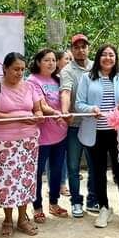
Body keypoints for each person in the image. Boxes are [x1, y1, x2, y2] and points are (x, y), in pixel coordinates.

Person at [75, 44, 119, 233]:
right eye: (104, 55)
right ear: (98, 57)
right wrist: (91, 109)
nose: (108, 58)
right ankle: (103, 207)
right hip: (95, 133)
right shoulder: (87, 78)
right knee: (98, 172)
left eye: (112, 55)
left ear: (116, 59)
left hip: (118, 132)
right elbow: (78, 104)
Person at [0, 52, 44, 238]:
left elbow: (38, 108)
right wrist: (18, 117)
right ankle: (7, 220)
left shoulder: (30, 86)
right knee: (5, 182)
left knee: (25, 180)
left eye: (22, 70)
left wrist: (38, 115)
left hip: (28, 141)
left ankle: (22, 219)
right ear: (5, 68)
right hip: (1, 143)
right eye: (15, 69)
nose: (19, 73)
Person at [26, 49, 68, 223]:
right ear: (38, 62)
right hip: (41, 136)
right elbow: (41, 104)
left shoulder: (58, 80)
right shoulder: (32, 81)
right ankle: (36, 207)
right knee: (37, 172)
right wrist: (56, 114)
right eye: (46, 60)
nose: (51, 63)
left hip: (61, 133)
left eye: (53, 60)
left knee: (57, 170)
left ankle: (54, 203)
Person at [60, 34, 97, 217]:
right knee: (73, 166)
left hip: (94, 125)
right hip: (74, 125)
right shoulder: (67, 71)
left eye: (84, 46)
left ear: (88, 48)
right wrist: (65, 111)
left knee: (94, 165)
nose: (81, 50)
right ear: (72, 49)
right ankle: (75, 202)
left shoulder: (96, 67)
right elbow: (65, 92)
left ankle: (93, 199)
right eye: (77, 47)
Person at [55, 49, 72, 196]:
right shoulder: (51, 79)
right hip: (53, 125)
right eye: (66, 59)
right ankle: (59, 185)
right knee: (54, 158)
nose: (69, 62)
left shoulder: (70, 76)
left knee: (66, 155)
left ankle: (63, 183)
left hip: (70, 123)